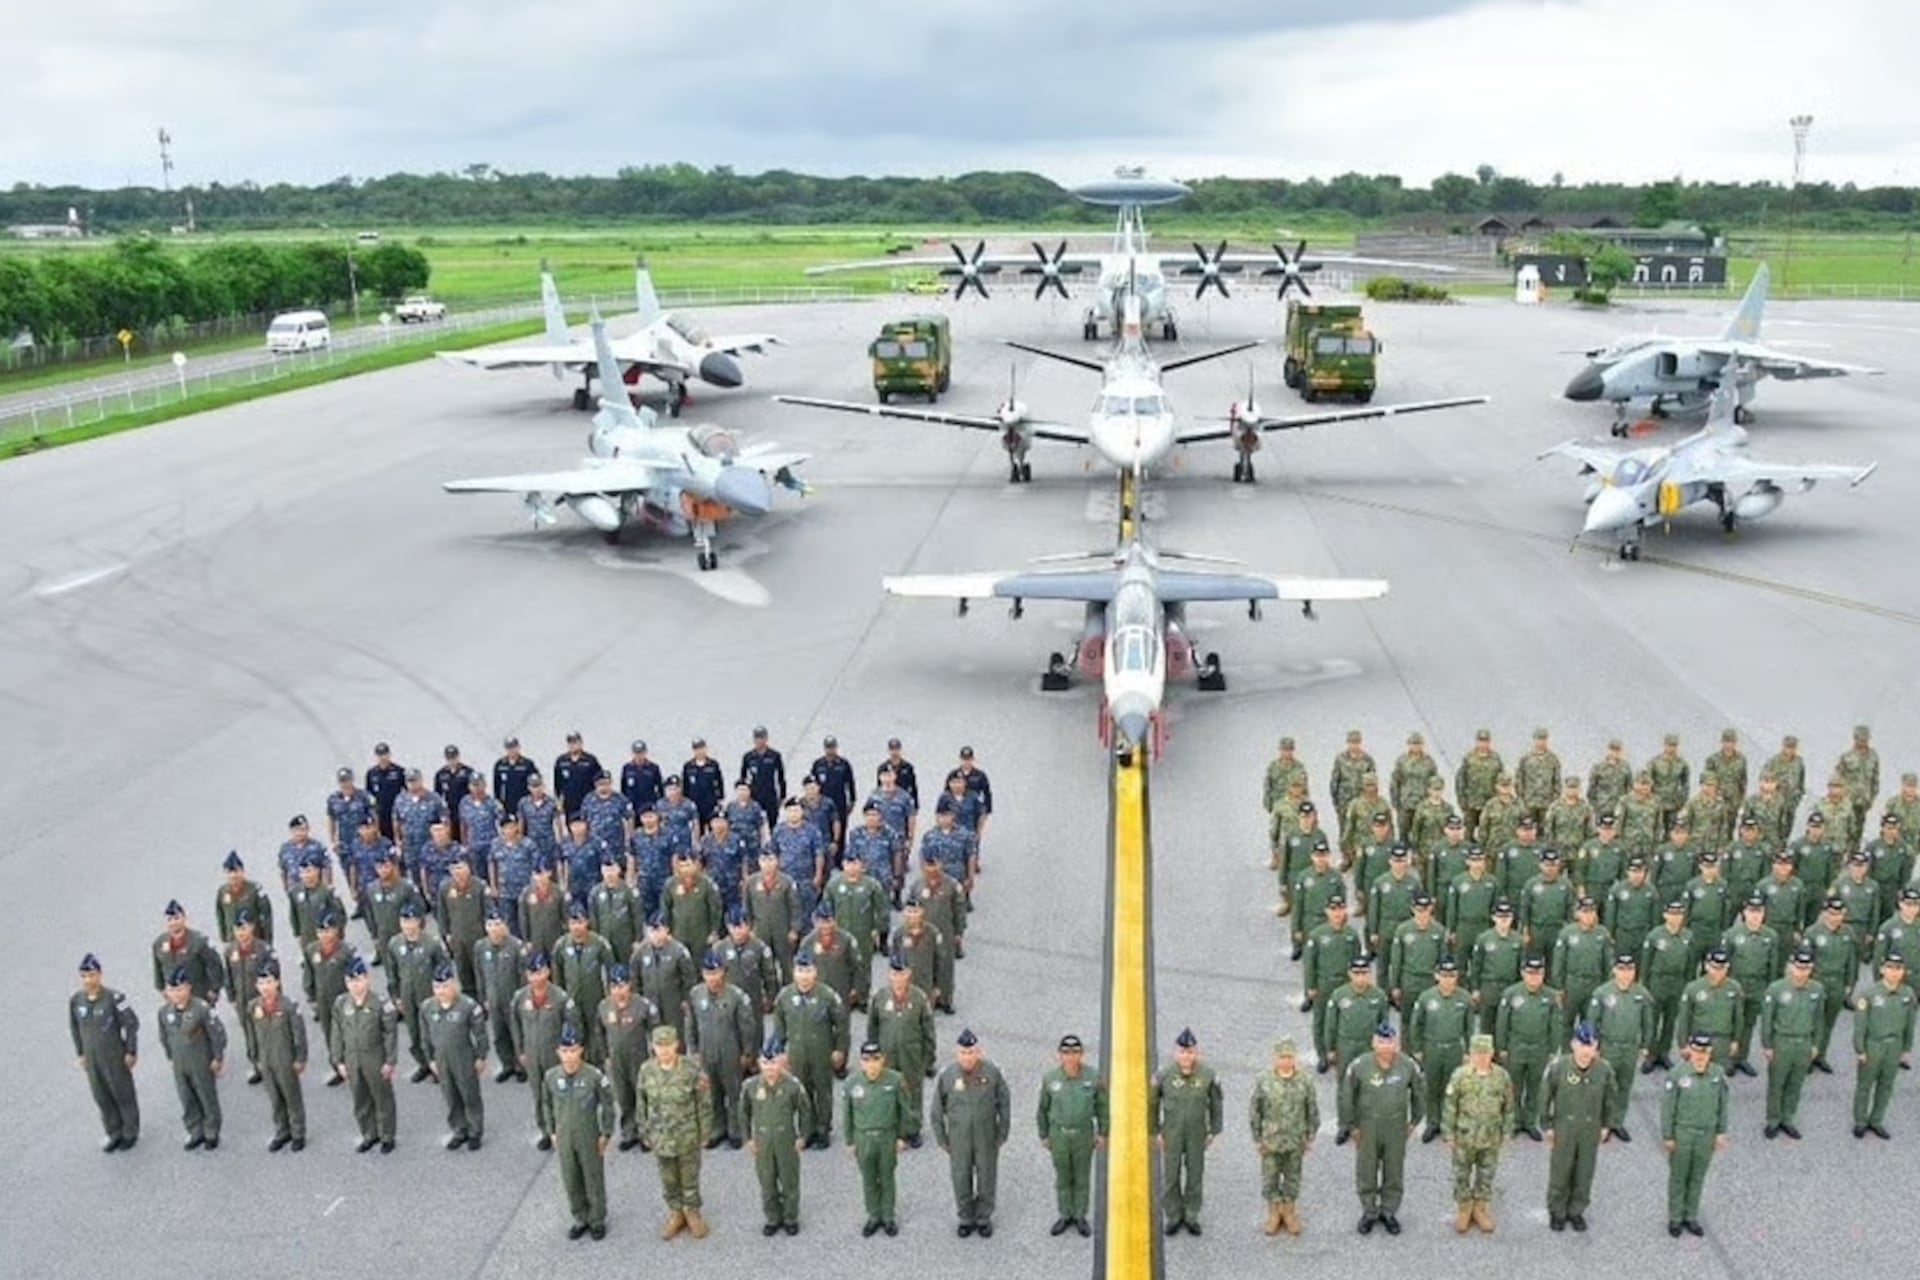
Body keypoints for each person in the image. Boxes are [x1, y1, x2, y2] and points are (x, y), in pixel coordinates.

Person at [1338, 1024, 1423, 1236]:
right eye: (1381, 1042)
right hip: (1368, 1125)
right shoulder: (1359, 1066)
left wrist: (1414, 1121)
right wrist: (1351, 1126)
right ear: (1373, 1043)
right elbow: (1346, 1096)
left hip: (1396, 1126)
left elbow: (1419, 1093)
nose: (1386, 1047)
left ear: (1397, 1044)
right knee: (1367, 1170)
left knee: (1394, 1170)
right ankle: (1369, 1211)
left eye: (1390, 1042)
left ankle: (1388, 1211)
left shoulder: (1407, 1065)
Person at [933, 1027, 1011, 1238]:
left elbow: (1004, 1103)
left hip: (986, 1136)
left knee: (987, 1176)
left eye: (971, 1052)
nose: (967, 1057)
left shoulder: (992, 1073)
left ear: (979, 1052)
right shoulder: (947, 1076)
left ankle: (984, 1217)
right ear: (957, 1054)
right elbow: (937, 1110)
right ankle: (966, 1217)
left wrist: (1003, 1132)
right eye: (963, 1053)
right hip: (959, 1139)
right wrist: (942, 1138)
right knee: (961, 1177)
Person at [639, 1024, 713, 1239]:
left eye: (668, 1045)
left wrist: (705, 1132)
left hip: (687, 1134)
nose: (664, 1050)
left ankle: (692, 1213)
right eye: (659, 1045)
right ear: (653, 1046)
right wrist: (645, 1132)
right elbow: (641, 1103)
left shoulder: (691, 1069)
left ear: (677, 1045)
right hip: (661, 1136)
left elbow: (704, 1103)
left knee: (689, 1176)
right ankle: (675, 1213)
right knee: (668, 1178)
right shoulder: (646, 1070)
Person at [774, 950, 850, 1150]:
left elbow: (841, 1025)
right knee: (802, 1092)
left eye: (808, 971)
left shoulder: (827, 995)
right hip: (797, 1053)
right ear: (794, 972)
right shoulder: (785, 996)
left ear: (815, 972)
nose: (804, 976)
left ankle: (823, 1129)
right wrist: (779, 1052)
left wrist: (840, 1050)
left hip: (821, 1052)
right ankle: (806, 1130)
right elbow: (779, 1026)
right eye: (800, 970)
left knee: (823, 1091)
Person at [547, 1022, 616, 1241]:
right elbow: (546, 1104)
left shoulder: (594, 1076)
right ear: (558, 1052)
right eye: (565, 1051)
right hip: (564, 1135)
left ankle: (596, 1219)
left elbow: (608, 1104)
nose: (569, 1056)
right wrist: (551, 1131)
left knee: (592, 1176)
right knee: (571, 1177)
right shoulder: (551, 1076)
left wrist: (606, 1132)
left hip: (588, 1134)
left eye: (573, 1050)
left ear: (581, 1051)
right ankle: (580, 1217)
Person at [1661, 1032, 1730, 1238]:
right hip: (1683, 1133)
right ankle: (1675, 1217)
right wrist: (1668, 1135)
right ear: (1690, 1050)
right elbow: (1668, 1108)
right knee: (1679, 1177)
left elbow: (1723, 1105)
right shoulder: (1677, 1075)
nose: (1701, 1055)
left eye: (1705, 1051)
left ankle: (1690, 1216)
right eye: (1697, 1051)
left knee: (1697, 1176)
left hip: (1706, 1134)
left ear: (1710, 1052)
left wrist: (1721, 1132)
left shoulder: (1717, 1074)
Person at [688, 950, 759, 1149]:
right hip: (706, 1051)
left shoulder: (737, 996)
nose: (712, 978)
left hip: (731, 1052)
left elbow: (747, 1026)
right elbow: (691, 1024)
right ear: (703, 974)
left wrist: (747, 1052)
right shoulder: (696, 994)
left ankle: (737, 1129)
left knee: (734, 1091)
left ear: (723, 973)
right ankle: (717, 1129)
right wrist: (693, 1050)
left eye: (716, 973)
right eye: (708, 973)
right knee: (712, 1093)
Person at [1443, 1033, 1513, 1233]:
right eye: (1477, 1053)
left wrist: (1507, 1131)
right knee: (1461, 1174)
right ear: (1470, 1054)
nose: (1481, 1057)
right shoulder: (1460, 1076)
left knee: (1486, 1174)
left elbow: (1508, 1106)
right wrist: (1448, 1133)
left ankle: (1480, 1209)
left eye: (1485, 1053)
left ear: (1492, 1053)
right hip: (1464, 1136)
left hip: (1491, 1137)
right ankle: (1464, 1208)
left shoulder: (1501, 1076)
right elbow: (1450, 1106)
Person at [1249, 1035, 1319, 1238]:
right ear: (1275, 1058)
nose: (1285, 1061)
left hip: (1295, 1140)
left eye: (1289, 1057)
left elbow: (1311, 1109)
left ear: (1294, 1058)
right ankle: (1273, 1213)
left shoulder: (1304, 1081)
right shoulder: (1264, 1080)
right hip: (1271, 1141)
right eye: (1281, 1057)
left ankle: (1289, 1212)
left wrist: (1310, 1135)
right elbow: (1255, 1111)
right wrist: (1257, 1139)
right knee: (1270, 1178)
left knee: (1292, 1177)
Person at [1037, 1033, 1106, 1237]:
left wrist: (1103, 1132)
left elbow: (1102, 1106)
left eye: (1075, 1052)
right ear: (1059, 1055)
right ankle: (1065, 1214)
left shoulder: (1093, 1077)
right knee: (1063, 1177)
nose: (1070, 1057)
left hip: (1083, 1135)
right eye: (1066, 1052)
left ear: (1081, 1054)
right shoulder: (1051, 1079)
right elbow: (1042, 1109)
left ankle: (1080, 1216)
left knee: (1082, 1177)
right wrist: (1044, 1134)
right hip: (1059, 1135)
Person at [71, 954, 141, 1153]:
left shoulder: (115, 998)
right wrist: (81, 1053)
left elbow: (131, 1023)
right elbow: (75, 1028)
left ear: (100, 975)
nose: (88, 980)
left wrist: (130, 1050)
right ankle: (114, 1132)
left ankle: (130, 1131)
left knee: (122, 1093)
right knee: (101, 1095)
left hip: (114, 1055)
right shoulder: (77, 1001)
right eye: (84, 976)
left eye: (91, 975)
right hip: (92, 1059)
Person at [744, 1037, 812, 1236]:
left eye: (773, 1062)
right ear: (759, 1063)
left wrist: (803, 1136)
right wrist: (748, 1138)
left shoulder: (792, 1085)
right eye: (765, 1063)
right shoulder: (751, 1086)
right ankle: (773, 1218)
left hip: (786, 1140)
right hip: (763, 1141)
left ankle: (790, 1217)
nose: (770, 1068)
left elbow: (805, 1111)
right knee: (767, 1181)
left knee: (789, 1180)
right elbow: (743, 1112)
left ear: (781, 1062)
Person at [868, 953, 937, 1148]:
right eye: (895, 974)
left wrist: (928, 1057)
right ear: (889, 975)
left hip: (911, 1054)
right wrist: (872, 1055)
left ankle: (912, 1129)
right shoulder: (880, 997)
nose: (899, 978)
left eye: (903, 973)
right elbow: (872, 1027)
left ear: (909, 974)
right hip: (886, 1053)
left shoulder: (919, 998)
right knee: (886, 1089)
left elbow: (928, 1030)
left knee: (912, 1091)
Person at [331, 955, 398, 1153]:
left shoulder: (380, 1003)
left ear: (367, 979)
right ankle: (369, 1133)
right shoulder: (342, 1003)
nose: (355, 985)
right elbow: (337, 1032)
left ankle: (387, 1135)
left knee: (381, 1097)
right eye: (351, 981)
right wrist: (338, 1060)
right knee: (360, 1098)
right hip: (352, 1058)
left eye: (359, 980)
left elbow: (390, 1034)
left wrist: (390, 1060)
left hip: (374, 1056)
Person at [513, 951, 580, 1149]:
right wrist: (521, 1051)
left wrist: (569, 1055)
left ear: (548, 972)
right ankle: (545, 1130)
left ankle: (566, 1131)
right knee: (539, 1094)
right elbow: (516, 1026)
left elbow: (573, 1026)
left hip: (555, 1055)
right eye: (533, 973)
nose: (537, 977)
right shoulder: (520, 998)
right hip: (533, 1055)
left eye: (541, 972)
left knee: (560, 1094)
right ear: (527, 975)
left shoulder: (560, 998)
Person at [844, 1039, 909, 1237]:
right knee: (869, 1178)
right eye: (867, 1060)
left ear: (883, 1060)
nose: (872, 1065)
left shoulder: (895, 1080)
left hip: (887, 1136)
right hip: (863, 1137)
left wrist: (901, 1136)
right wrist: (850, 1141)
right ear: (861, 1062)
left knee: (887, 1177)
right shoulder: (852, 1083)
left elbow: (904, 1110)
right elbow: (848, 1115)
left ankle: (888, 1216)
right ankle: (873, 1215)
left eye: (876, 1059)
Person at [156, 965, 225, 1152]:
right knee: (186, 1097)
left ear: (188, 988)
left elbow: (217, 1033)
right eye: (171, 990)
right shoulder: (164, 1012)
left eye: (179, 989)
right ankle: (195, 1130)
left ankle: (211, 1131)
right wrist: (170, 1056)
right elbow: (164, 1036)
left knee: (205, 1095)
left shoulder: (201, 1008)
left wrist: (217, 1057)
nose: (176, 994)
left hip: (200, 1060)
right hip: (179, 1062)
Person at [1587, 954, 1655, 1141]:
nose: (1626, 974)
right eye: (1622, 970)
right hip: (1609, 1046)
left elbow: (1648, 1022)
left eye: (1630, 970)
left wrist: (1646, 1045)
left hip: (1630, 1048)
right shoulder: (1602, 993)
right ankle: (1600, 1123)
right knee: (1604, 1085)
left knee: (1624, 1086)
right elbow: (1592, 1021)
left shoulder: (1641, 994)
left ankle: (1616, 1122)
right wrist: (1594, 1046)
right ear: (1615, 970)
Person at [1851, 953, 1917, 1139]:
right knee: (1865, 1084)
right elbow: (1861, 1024)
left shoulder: (1907, 994)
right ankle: (1861, 1120)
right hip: (1874, 1044)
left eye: (1898, 969)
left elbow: (1910, 1023)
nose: (1894, 973)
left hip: (1894, 1045)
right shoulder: (1870, 995)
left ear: (1903, 971)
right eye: (1890, 968)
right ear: (1882, 970)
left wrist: (1906, 1048)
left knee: (1886, 1085)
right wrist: (1860, 1049)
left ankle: (1877, 1120)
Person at [423, 962, 488, 1151]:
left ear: (454, 985)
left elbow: (480, 1034)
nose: (441, 991)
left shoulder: (467, 1006)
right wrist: (430, 1060)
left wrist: (481, 1056)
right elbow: (425, 1036)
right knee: (450, 1095)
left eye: (445, 986)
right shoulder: (428, 1008)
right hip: (441, 1060)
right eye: (437, 987)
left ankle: (475, 1130)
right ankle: (460, 1130)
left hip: (464, 1057)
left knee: (469, 1094)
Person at [1408, 957, 1473, 1141]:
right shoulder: (1426, 997)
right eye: (1444, 975)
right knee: (1431, 1087)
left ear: (1457, 977)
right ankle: (1432, 1122)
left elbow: (1469, 1028)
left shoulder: (1464, 998)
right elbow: (1416, 1024)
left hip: (1453, 1048)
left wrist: (1468, 1051)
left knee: (1451, 1088)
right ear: (1436, 976)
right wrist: (1418, 1048)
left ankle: (1448, 1124)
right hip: (1432, 1048)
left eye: (1452, 976)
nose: (1448, 980)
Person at [1496, 955, 1560, 1139]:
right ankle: (1514, 1121)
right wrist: (1502, 1047)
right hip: (1516, 1045)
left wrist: (1552, 1049)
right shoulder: (1511, 994)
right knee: (1514, 1085)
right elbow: (1502, 1022)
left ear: (1543, 974)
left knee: (1535, 1085)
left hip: (1539, 1047)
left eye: (1538, 973)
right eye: (1530, 973)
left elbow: (1555, 1024)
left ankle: (1530, 1122)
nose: (1534, 977)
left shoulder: (1550, 996)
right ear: (1523, 973)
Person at [249, 956, 308, 1152]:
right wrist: (254, 1057)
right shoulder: (254, 1006)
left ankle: (298, 1132)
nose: (265, 987)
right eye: (261, 983)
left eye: (269, 982)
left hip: (285, 1058)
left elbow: (298, 1034)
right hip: (266, 1060)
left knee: (291, 1096)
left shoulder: (288, 1006)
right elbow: (252, 1034)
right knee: (275, 1098)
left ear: (277, 982)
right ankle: (282, 1131)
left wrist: (300, 1058)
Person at [214, 851, 275, 946]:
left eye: (236, 871)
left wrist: (267, 941)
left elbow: (266, 917)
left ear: (243, 871)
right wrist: (224, 938)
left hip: (254, 941)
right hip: (233, 941)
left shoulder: (255, 890)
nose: (233, 875)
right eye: (229, 872)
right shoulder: (223, 891)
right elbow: (220, 915)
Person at [552, 731, 602, 820]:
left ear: (581, 743)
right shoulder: (561, 761)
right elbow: (558, 784)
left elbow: (600, 780)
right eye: (570, 743)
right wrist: (559, 802)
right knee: (572, 829)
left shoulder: (590, 760)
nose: (572, 745)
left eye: (575, 742)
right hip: (569, 803)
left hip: (588, 802)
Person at [365, 742, 407, 841]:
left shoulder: (399, 771)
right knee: (384, 841)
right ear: (376, 756)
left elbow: (408, 792)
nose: (382, 757)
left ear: (389, 755)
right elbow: (369, 795)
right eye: (380, 755)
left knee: (400, 841)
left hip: (396, 813)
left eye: (384, 754)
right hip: (381, 814)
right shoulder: (371, 774)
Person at [620, 739, 664, 817]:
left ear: (646, 752)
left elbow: (660, 788)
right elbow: (623, 788)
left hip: (649, 804)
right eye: (636, 753)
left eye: (641, 753)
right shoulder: (627, 768)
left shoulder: (653, 768)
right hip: (633, 806)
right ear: (632, 753)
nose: (639, 755)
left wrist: (658, 804)